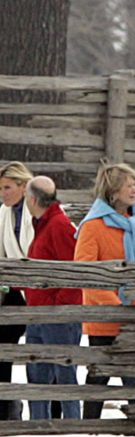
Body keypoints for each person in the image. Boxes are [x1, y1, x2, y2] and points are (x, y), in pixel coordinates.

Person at [74, 163, 135, 419]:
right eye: (128, 185)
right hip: (104, 317)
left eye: (134, 184)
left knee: (134, 373)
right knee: (99, 374)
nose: (134, 189)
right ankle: (89, 428)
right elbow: (87, 273)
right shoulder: (93, 226)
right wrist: (117, 307)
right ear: (113, 191)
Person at [23, 176, 83, 419]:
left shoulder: (58, 225)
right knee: (36, 373)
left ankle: (73, 426)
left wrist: (59, 307)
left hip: (57, 315)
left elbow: (73, 270)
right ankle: (38, 426)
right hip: (38, 313)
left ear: (33, 199)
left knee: (64, 373)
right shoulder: (43, 224)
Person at [0, 161, 34, 421]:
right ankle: (6, 405)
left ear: (24, 187)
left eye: (8, 187)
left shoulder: (36, 215)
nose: (3, 193)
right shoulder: (3, 214)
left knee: (41, 356)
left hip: (37, 289)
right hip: (12, 292)